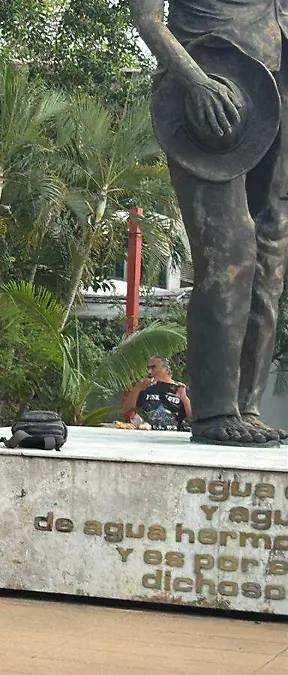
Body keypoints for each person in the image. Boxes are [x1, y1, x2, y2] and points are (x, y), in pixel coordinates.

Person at [133, 0, 288, 445]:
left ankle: (246, 406)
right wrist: (194, 80)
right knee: (229, 251)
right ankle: (215, 411)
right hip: (212, 88)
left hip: (279, 86)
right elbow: (146, 19)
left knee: (271, 256)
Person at [123, 356, 192, 431]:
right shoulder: (145, 388)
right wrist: (137, 388)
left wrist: (185, 399)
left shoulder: (181, 389)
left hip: (173, 435)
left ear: (167, 370)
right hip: (147, 434)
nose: (149, 372)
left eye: (153, 368)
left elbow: (194, 417)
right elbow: (126, 412)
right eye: (149, 368)